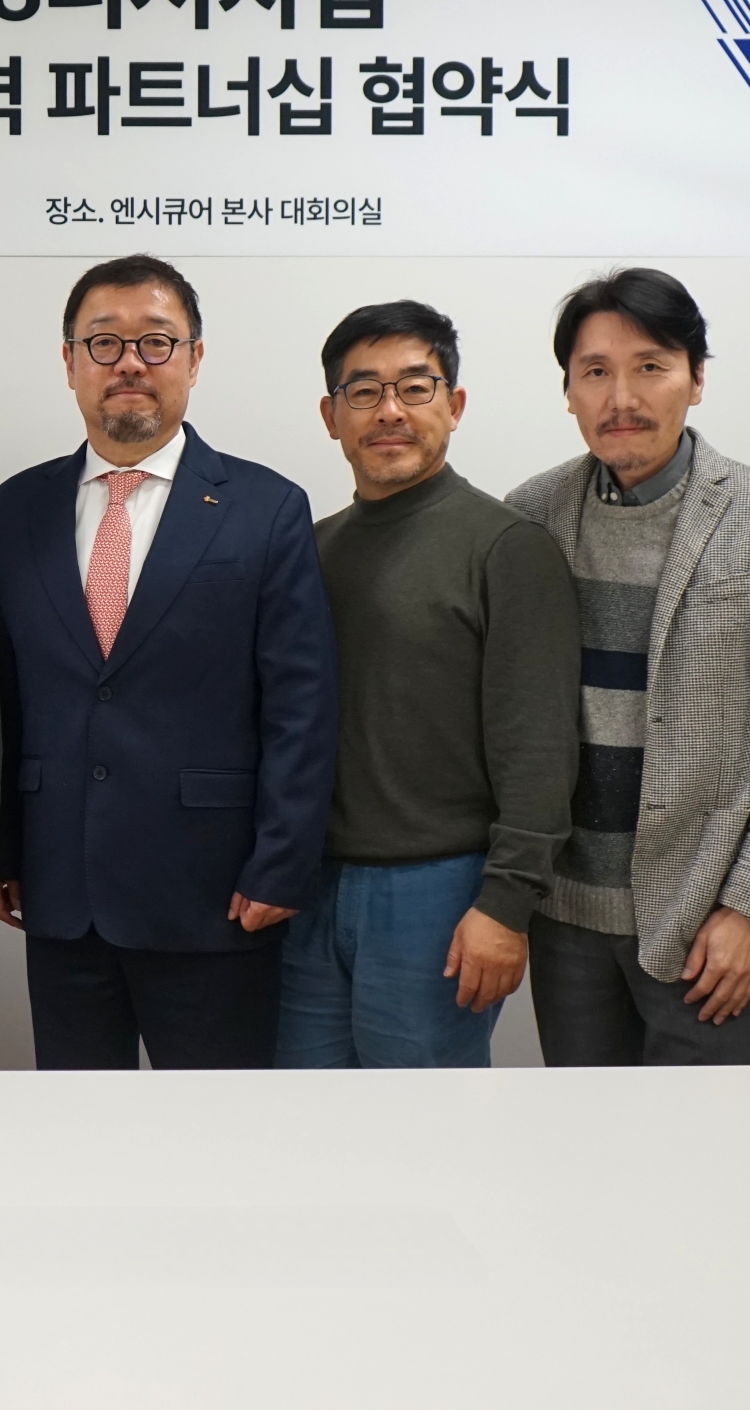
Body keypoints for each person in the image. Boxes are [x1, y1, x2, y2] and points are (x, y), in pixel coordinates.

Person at [0, 255, 338, 1069]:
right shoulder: (16, 508)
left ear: (195, 358)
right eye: (104, 343)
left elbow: (302, 705)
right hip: (60, 888)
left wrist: (282, 864)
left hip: (216, 893)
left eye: (156, 341)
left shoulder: (266, 508)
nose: (130, 363)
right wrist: (1, 847)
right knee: (78, 1127)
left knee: (218, 1131)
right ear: (69, 361)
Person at [505, 268, 750, 1065]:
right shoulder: (527, 518)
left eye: (650, 367)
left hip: (711, 929)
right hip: (567, 920)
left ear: (696, 380)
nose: (621, 397)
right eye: (595, 372)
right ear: (568, 391)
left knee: (714, 1142)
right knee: (587, 1136)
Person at [281, 300, 580, 1068]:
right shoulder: (307, 551)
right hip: (306, 890)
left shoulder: (507, 547)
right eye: (364, 391)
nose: (390, 411)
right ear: (331, 416)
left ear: (455, 405)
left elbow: (539, 747)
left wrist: (505, 905)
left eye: (415, 388)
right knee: (303, 1120)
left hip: (439, 894)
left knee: (424, 1125)